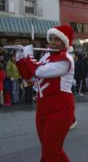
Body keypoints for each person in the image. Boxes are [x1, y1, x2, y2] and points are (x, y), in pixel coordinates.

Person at [15, 25, 75, 161]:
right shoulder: (46, 57)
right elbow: (30, 78)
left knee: (50, 152)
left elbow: (39, 71)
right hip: (43, 108)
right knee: (52, 149)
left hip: (60, 109)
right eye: (51, 39)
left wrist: (29, 55)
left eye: (57, 40)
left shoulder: (66, 59)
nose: (52, 42)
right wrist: (20, 59)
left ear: (64, 43)